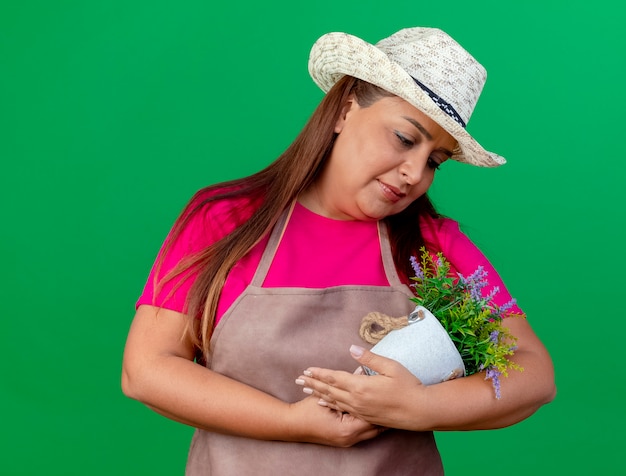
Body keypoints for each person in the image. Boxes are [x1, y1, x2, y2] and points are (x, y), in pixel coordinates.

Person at [122, 27, 556, 475]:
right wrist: (292, 422)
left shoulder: (433, 244)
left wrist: (419, 406)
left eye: (433, 161)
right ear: (345, 110)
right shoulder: (223, 221)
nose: (413, 173)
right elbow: (147, 368)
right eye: (405, 139)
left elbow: (534, 373)